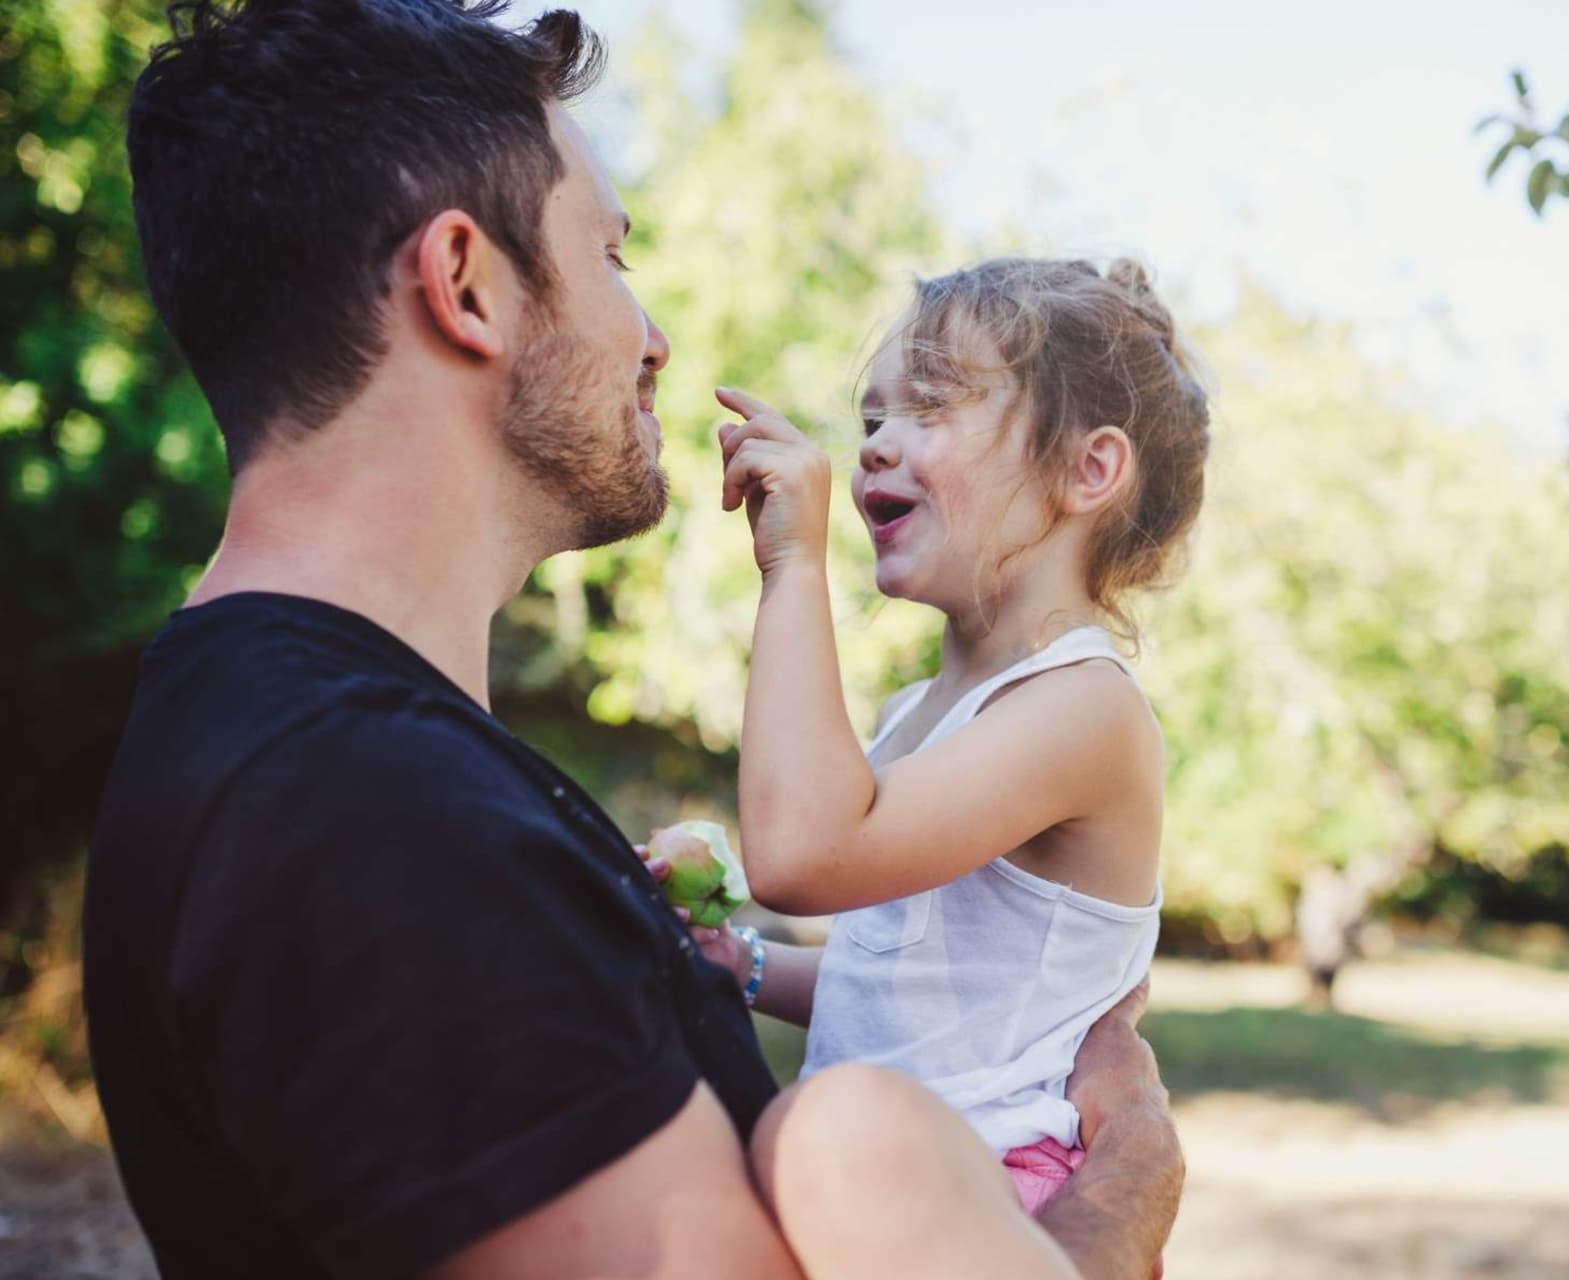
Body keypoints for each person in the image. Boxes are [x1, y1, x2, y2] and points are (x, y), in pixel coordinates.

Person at [81, 3, 1182, 1277]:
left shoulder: (310, 742)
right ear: (466, 284)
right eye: (612, 255)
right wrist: (1122, 1202)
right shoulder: (372, 815)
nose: (652, 334)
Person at [668, 258, 1207, 1229]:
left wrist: (792, 567)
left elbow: (799, 854)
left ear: (1087, 469)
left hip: (995, 1196)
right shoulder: (917, 706)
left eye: (929, 407)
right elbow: (900, 988)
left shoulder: (1083, 709)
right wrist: (738, 961)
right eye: (872, 416)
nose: (874, 445)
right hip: (893, 1184)